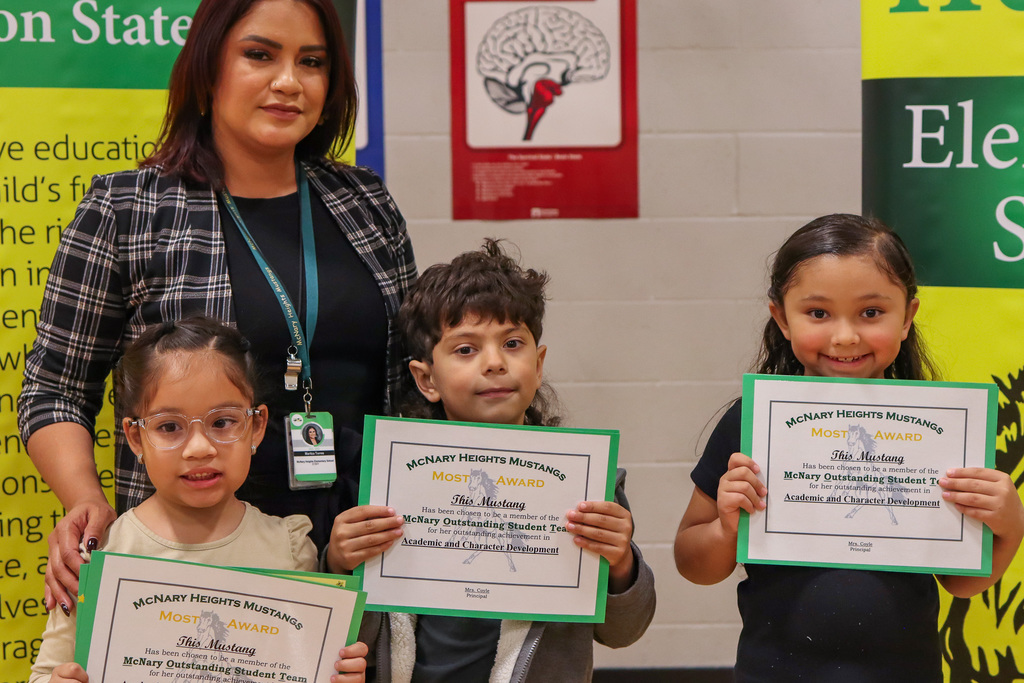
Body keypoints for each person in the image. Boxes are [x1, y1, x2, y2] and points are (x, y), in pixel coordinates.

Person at [18, 0, 416, 618]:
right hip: (198, 565)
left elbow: (418, 378)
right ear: (208, 71)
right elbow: (55, 389)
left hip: (365, 548)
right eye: (260, 55)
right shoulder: (128, 208)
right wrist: (84, 499)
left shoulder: (364, 203)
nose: (288, 81)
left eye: (311, 62)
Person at [673, 214, 1024, 681]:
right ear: (781, 317)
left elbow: (961, 583)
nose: (845, 336)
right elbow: (692, 564)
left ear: (908, 317)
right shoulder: (753, 422)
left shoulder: (942, 433)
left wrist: (1009, 526)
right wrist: (725, 530)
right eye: (818, 313)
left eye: (871, 313)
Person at [326, 240, 656, 682]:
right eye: (466, 350)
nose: (495, 363)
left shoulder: (588, 484)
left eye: (513, 343)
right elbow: (349, 638)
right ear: (426, 379)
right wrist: (339, 563)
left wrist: (621, 565)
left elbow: (622, 631)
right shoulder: (381, 483)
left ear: (538, 364)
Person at [29, 317, 368, 683]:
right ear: (135, 438)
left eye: (223, 422)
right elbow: (47, 671)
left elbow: (305, 666)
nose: (200, 448)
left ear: (255, 426)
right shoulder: (100, 557)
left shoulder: (290, 547)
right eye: (169, 426)